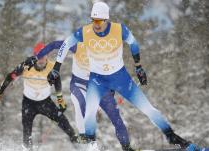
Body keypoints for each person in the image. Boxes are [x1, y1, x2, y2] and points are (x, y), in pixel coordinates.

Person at [45, 2, 200, 151]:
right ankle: (92, 145)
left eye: (99, 21)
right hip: (97, 80)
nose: (96, 24)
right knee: (90, 111)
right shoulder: (85, 32)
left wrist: (138, 67)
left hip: (120, 78)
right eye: (94, 20)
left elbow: (133, 43)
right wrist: (56, 68)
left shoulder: (119, 30)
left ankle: (173, 137)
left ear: (106, 19)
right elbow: (65, 44)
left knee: (147, 108)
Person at [35, 41, 131, 151]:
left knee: (110, 113)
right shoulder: (78, 46)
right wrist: (39, 55)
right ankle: (86, 137)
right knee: (79, 103)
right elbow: (54, 45)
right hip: (79, 84)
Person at [0, 42, 78, 151]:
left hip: (45, 102)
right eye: (38, 56)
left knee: (63, 122)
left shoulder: (52, 67)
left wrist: (60, 99)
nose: (40, 59)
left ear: (47, 56)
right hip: (29, 103)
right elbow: (10, 77)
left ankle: (77, 143)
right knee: (26, 133)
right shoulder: (26, 66)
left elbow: (57, 81)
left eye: (43, 55)